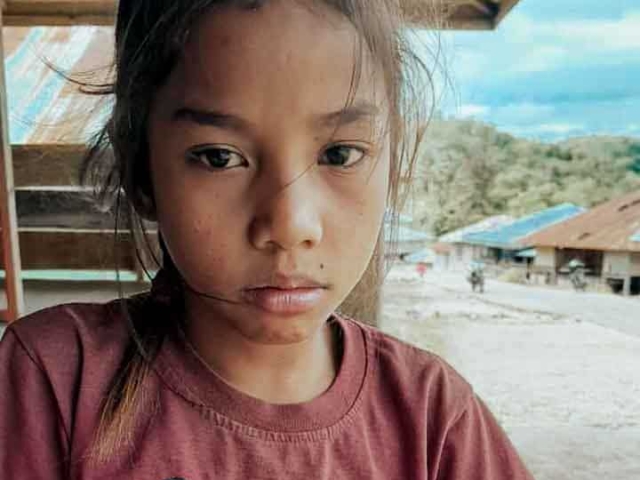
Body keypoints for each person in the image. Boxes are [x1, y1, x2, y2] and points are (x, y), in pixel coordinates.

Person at [0, 1, 535, 478]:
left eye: (340, 154)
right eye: (218, 157)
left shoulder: (434, 420)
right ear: (142, 171)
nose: (290, 225)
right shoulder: (52, 382)